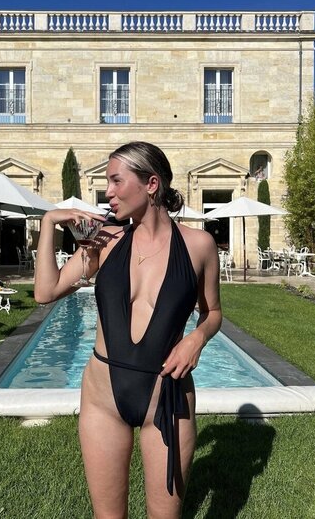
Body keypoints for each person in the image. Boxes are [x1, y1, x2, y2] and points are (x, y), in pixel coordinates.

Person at [34, 141, 222, 518]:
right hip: (103, 400)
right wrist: (49, 223)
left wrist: (196, 339)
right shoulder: (104, 240)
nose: (109, 192)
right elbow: (45, 292)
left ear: (151, 184)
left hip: (167, 399)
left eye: (116, 181)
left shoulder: (199, 245)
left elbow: (213, 311)